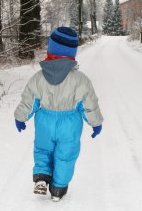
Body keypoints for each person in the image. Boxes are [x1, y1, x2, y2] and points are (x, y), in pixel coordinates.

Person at [14, 27, 103, 201]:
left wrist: (20, 117)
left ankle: (41, 177)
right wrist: (96, 123)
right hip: (69, 124)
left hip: (45, 122)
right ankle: (58, 189)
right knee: (65, 155)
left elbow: (29, 100)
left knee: (43, 149)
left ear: (51, 49)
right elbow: (88, 104)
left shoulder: (38, 77)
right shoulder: (81, 80)